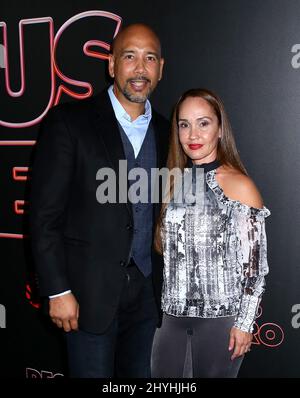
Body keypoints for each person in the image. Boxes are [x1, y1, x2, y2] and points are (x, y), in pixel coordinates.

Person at [30, 23, 169, 378]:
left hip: (149, 296)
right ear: (111, 65)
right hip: (86, 294)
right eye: (129, 56)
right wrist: (57, 289)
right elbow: (44, 215)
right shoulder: (69, 122)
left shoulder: (170, 132)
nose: (140, 68)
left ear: (161, 68)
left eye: (149, 58)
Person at [151, 88, 270, 378]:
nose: (193, 134)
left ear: (219, 129)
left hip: (221, 326)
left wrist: (244, 324)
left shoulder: (241, 186)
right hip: (169, 322)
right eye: (184, 124)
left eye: (203, 123)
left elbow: (255, 269)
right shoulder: (170, 183)